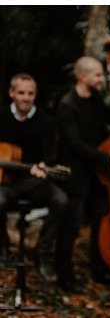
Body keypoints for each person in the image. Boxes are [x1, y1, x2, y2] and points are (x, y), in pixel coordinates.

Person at [55, 57, 110, 292]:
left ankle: (100, 269)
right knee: (71, 226)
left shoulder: (96, 99)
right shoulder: (67, 105)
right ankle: (64, 277)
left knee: (101, 221)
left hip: (99, 175)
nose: (103, 79)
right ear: (82, 77)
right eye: (98, 75)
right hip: (76, 175)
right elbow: (76, 144)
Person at [0, 74, 68, 280]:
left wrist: (43, 168)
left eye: (30, 93)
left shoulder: (46, 122)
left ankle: (41, 251)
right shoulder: (1, 117)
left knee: (61, 201)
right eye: (21, 92)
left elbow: (48, 156)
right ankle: (2, 246)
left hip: (33, 180)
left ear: (35, 95)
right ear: (11, 93)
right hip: (5, 182)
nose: (26, 98)